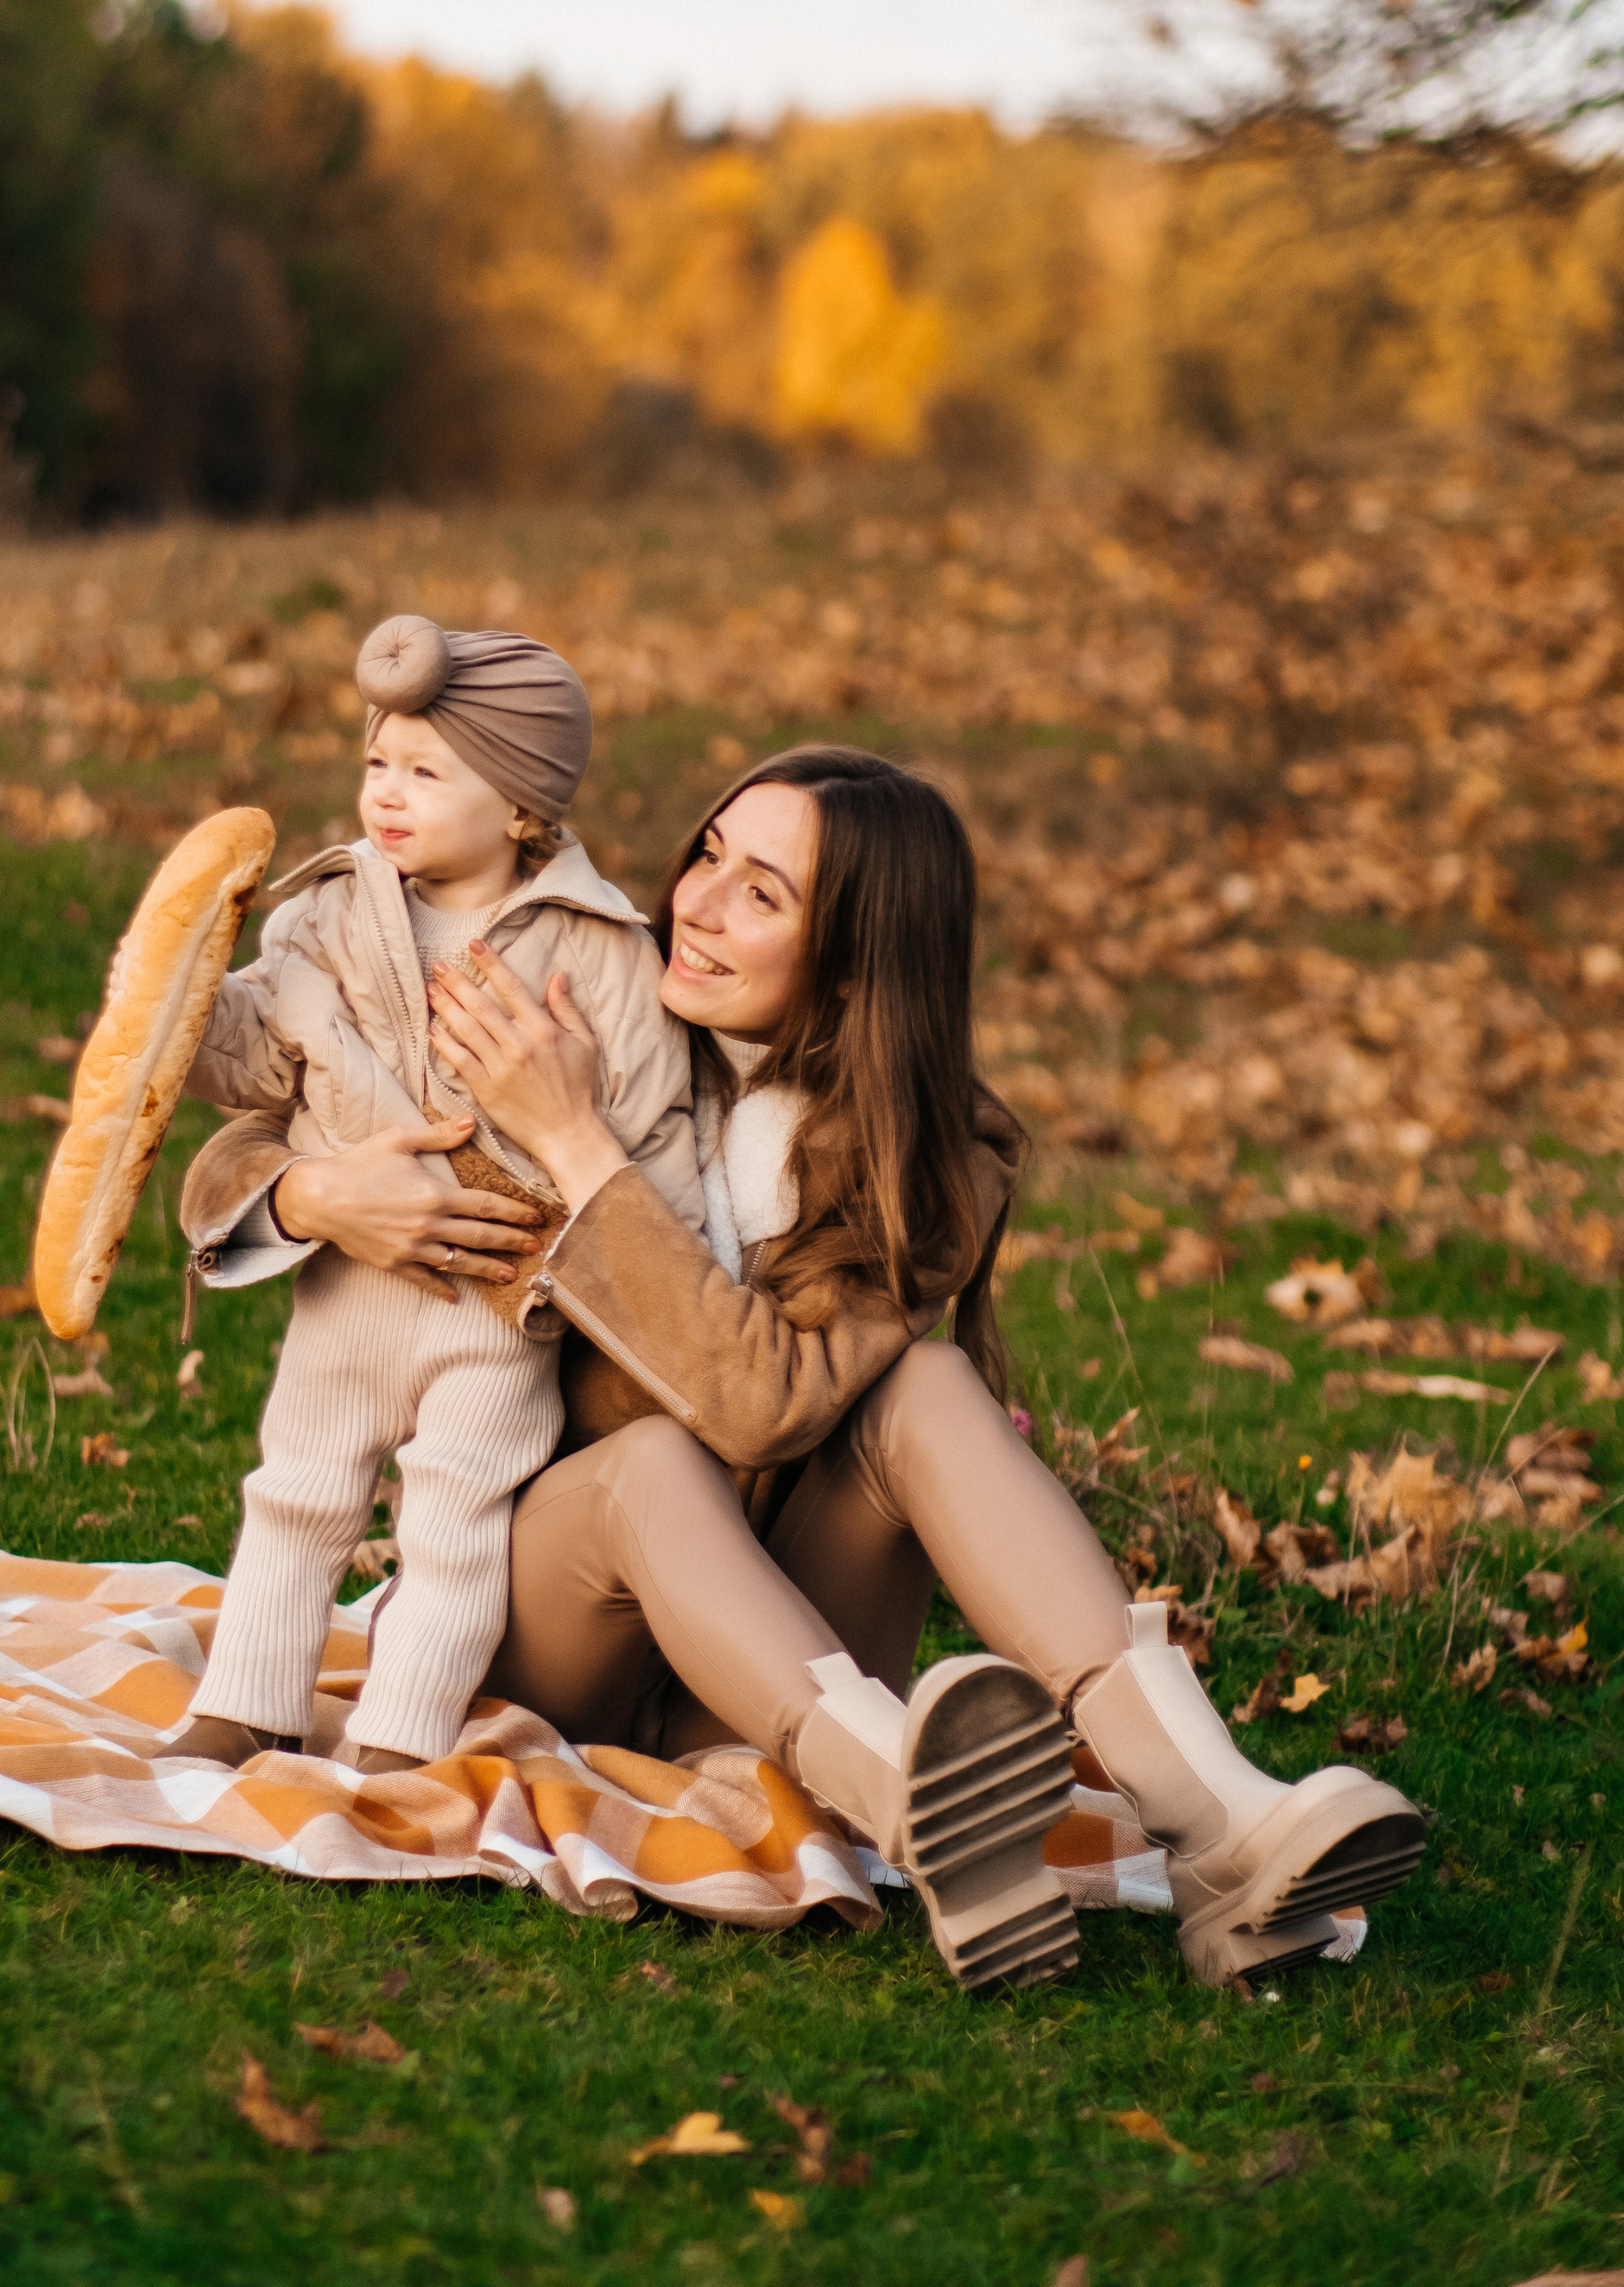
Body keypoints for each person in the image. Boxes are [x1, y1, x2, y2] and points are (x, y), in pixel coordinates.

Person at [187, 746, 1426, 1995]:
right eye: (709, 856)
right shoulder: (586, 1005)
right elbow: (267, 1118)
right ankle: (923, 1813)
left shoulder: (930, 1152)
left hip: (787, 1674)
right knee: (649, 1464)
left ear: (850, 964)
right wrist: (313, 1194)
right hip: (553, 1631)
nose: (698, 905)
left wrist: (575, 1145)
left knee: (927, 1387)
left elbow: (757, 1406)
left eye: (763, 894)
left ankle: (1215, 1823)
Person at [174, 613, 703, 1774]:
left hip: (502, 1306)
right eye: (377, 762)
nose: (387, 793)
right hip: (350, 1285)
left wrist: (593, 1277)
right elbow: (253, 1059)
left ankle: (404, 1734)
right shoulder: (328, 912)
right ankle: (249, 1701)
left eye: (427, 772)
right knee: (300, 1488)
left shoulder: (603, 949)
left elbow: (656, 1133)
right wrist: (187, 1001)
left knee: (458, 1516)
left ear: (520, 807)